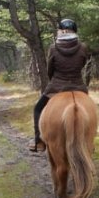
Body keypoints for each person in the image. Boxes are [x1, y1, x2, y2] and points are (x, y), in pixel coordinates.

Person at [29, 18, 92, 152]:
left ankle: (39, 142)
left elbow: (50, 70)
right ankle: (89, 141)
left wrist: (56, 80)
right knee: (91, 109)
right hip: (79, 86)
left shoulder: (53, 48)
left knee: (38, 109)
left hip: (57, 86)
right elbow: (82, 64)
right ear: (75, 32)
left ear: (61, 31)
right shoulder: (83, 47)